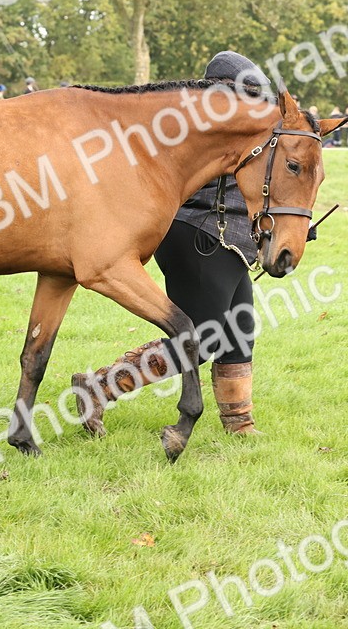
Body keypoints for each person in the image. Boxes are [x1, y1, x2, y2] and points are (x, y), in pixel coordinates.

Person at [71, 51, 273, 438]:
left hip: (228, 240)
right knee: (203, 336)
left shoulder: (238, 128)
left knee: (239, 328)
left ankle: (239, 423)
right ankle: (100, 388)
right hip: (197, 234)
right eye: (246, 94)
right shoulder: (200, 128)